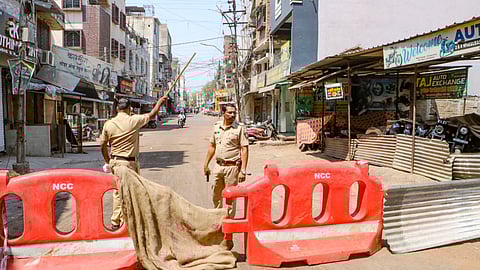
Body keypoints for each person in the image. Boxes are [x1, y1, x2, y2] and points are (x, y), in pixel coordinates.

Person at [100, 96, 167, 230]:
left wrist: (108, 160)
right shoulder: (134, 120)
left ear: (117, 108)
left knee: (118, 192)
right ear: (129, 108)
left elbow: (102, 144)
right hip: (129, 163)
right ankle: (128, 221)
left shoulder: (109, 124)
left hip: (116, 162)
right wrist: (159, 102)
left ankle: (116, 222)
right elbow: (152, 114)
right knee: (132, 191)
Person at [204, 104, 249, 209]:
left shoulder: (240, 128)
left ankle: (229, 222)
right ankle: (218, 219)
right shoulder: (216, 127)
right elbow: (212, 146)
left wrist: (243, 170)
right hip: (218, 167)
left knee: (230, 198)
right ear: (223, 113)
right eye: (229, 112)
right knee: (216, 195)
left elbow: (244, 149)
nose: (232, 115)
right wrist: (206, 165)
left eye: (234, 112)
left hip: (232, 168)